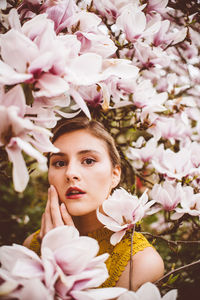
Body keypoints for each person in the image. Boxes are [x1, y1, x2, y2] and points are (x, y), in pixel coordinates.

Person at [23, 116, 164, 291]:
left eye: (89, 161)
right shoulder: (32, 246)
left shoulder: (140, 263)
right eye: (59, 163)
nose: (71, 173)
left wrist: (65, 267)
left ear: (115, 175)